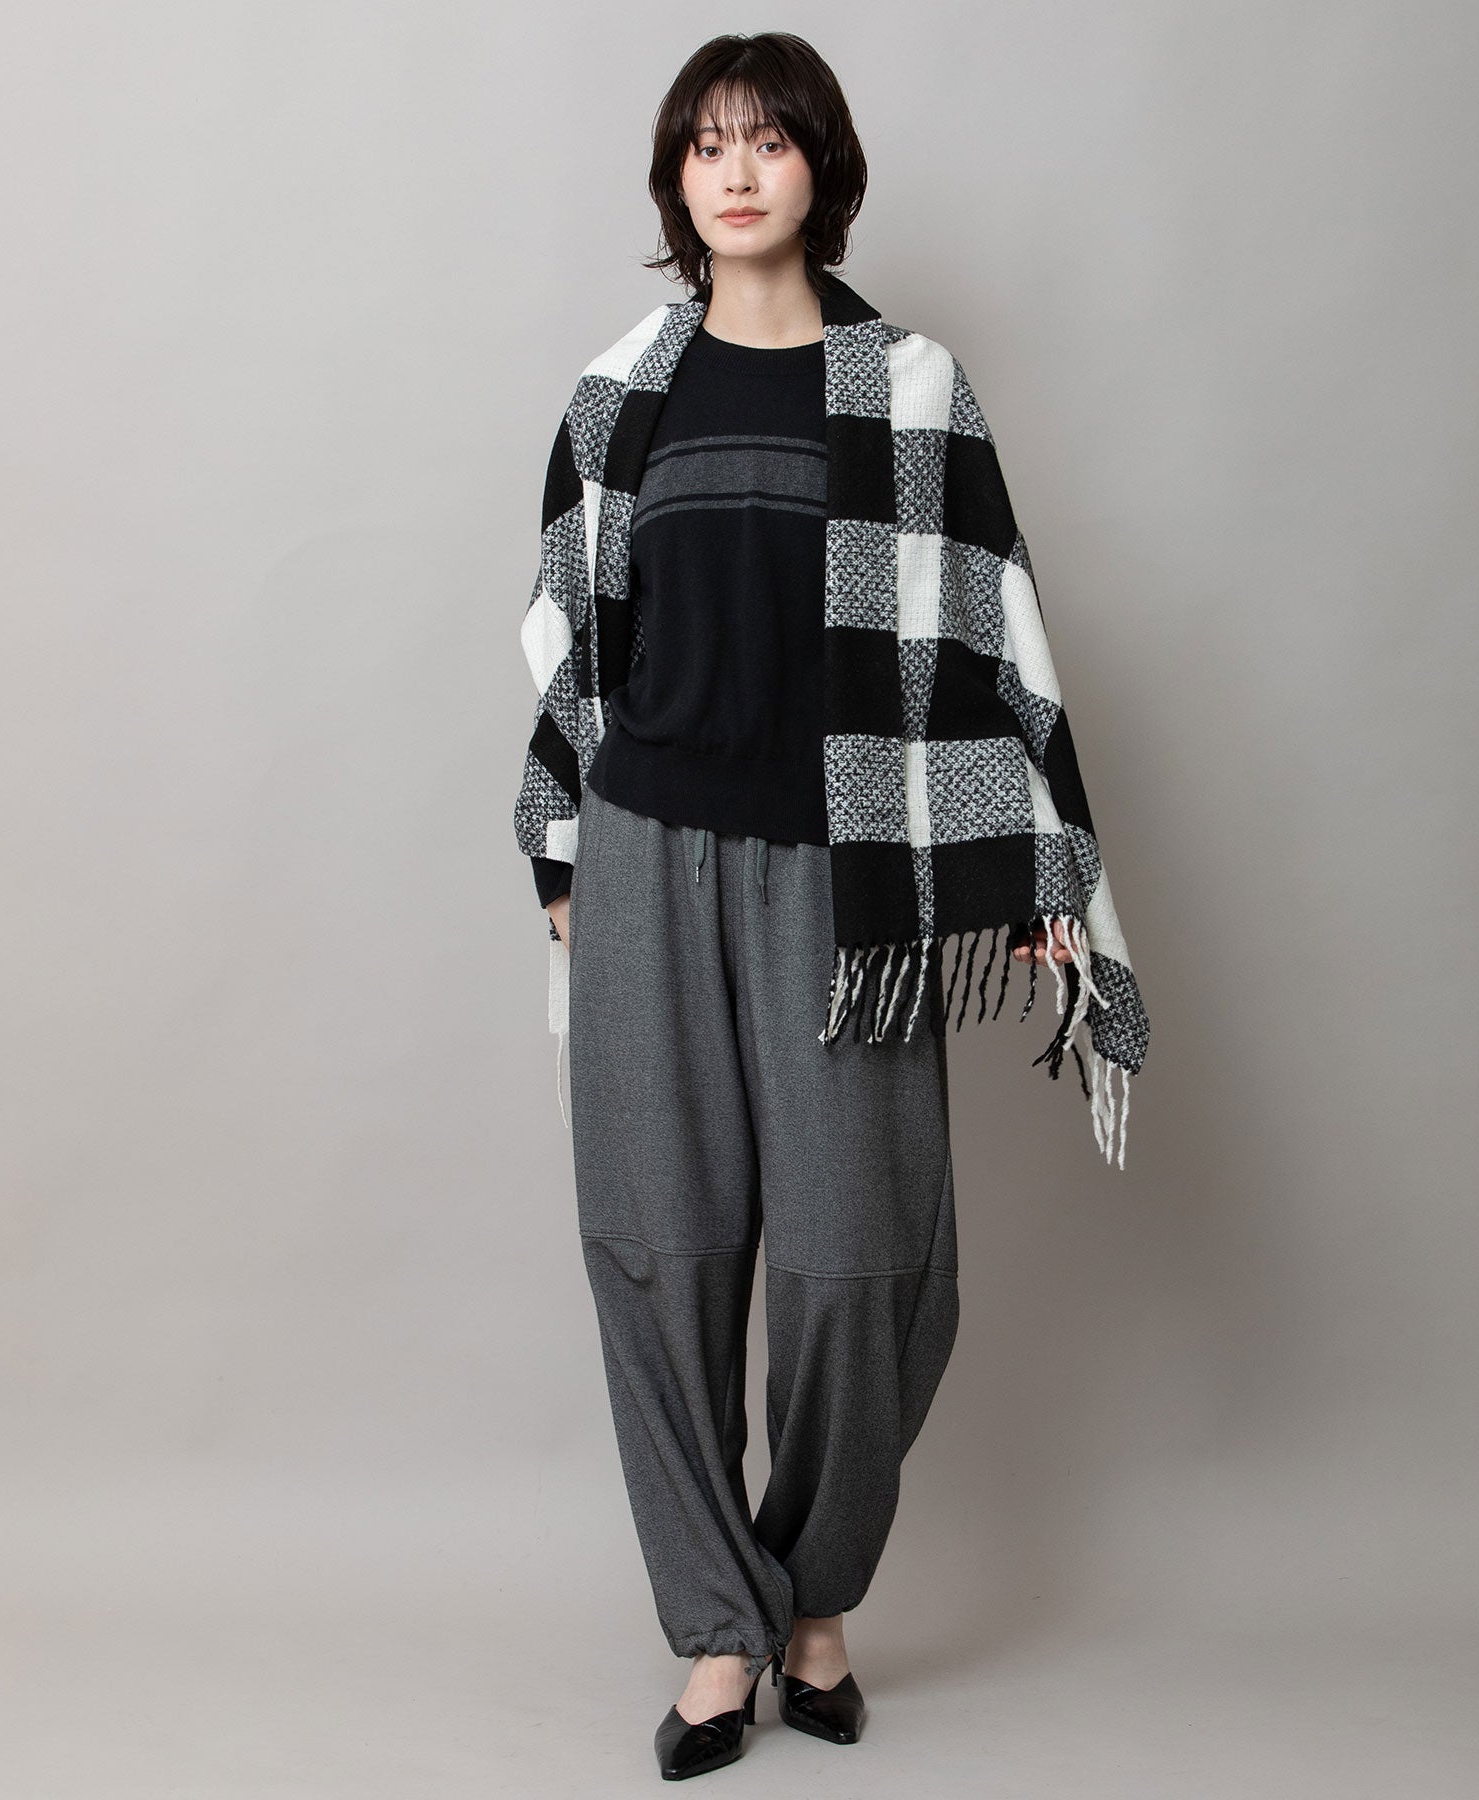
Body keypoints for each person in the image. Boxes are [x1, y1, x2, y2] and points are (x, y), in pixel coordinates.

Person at [511, 30, 1149, 1783]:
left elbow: (993, 638)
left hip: (849, 879)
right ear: (677, 180)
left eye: (769, 140)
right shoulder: (619, 392)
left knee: (860, 1262)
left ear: (821, 169)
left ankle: (813, 1603)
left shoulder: (915, 391)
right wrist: (561, 852)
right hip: (646, 858)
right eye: (706, 144)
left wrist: (1033, 872)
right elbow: (571, 645)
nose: (737, 172)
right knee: (657, 1248)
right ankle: (721, 1638)